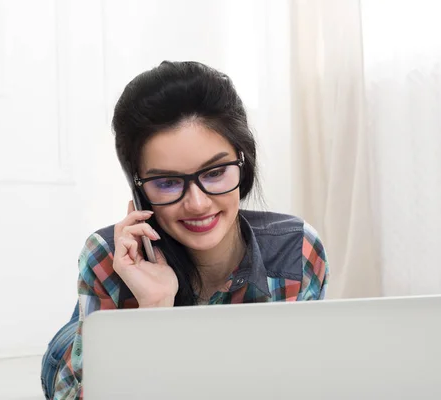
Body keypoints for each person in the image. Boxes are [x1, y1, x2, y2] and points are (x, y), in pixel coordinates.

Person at [41, 61, 329, 400]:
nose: (197, 203)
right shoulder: (109, 254)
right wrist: (154, 308)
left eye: (215, 173)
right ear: (138, 188)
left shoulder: (297, 248)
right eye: (166, 182)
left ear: (243, 162)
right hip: (83, 350)